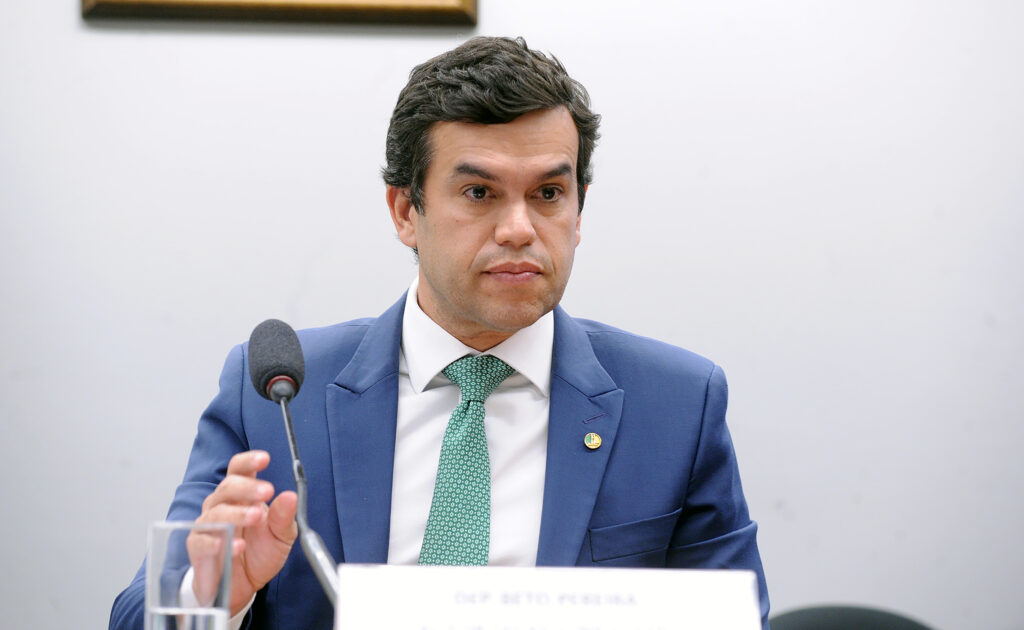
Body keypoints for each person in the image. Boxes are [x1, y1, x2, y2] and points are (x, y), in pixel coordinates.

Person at [110, 36, 770, 630]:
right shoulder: (277, 396)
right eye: (480, 193)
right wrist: (213, 594)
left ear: (579, 210)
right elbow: (137, 617)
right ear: (406, 210)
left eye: (548, 194)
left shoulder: (678, 405)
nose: (519, 229)